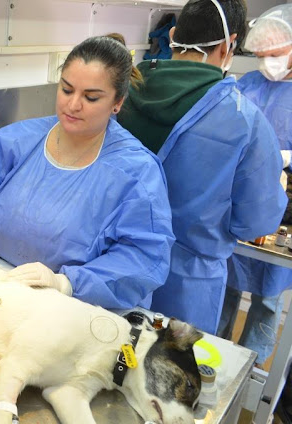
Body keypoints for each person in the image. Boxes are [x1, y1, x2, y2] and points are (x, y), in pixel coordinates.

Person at [0, 36, 175, 311]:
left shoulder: (136, 173)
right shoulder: (17, 142)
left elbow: (142, 257)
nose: (73, 105)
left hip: (78, 306)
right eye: (67, 90)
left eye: (91, 97)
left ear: (117, 102)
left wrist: (66, 283)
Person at [117, 0, 287, 334]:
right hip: (186, 287)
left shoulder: (123, 90)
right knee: (169, 363)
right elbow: (254, 223)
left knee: (109, 351)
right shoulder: (244, 120)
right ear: (229, 45)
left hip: (114, 266)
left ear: (174, 36)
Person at [218, 4, 292, 367]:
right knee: (227, 284)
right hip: (240, 196)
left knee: (268, 293)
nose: (267, 63)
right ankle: (214, 353)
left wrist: (285, 158)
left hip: (284, 206)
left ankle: (253, 365)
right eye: (261, 56)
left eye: (275, 55)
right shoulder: (247, 84)